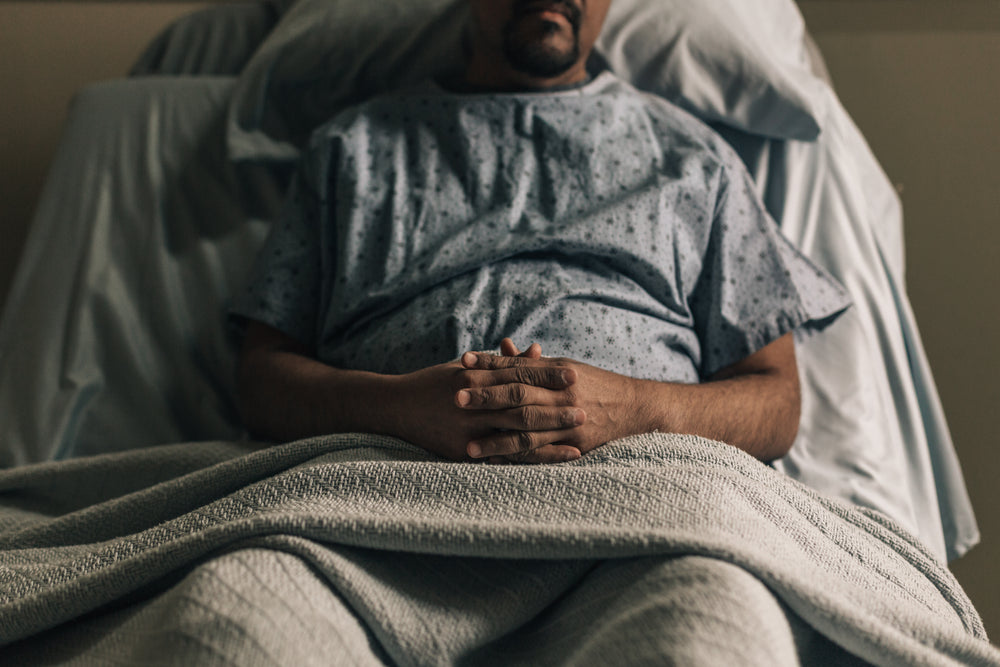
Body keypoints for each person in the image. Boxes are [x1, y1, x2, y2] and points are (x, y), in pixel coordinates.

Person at [232, 0, 850, 466]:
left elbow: (777, 401)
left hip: (647, 489)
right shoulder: (353, 150)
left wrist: (634, 412)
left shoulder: (693, 159)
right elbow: (262, 380)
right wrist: (397, 412)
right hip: (374, 482)